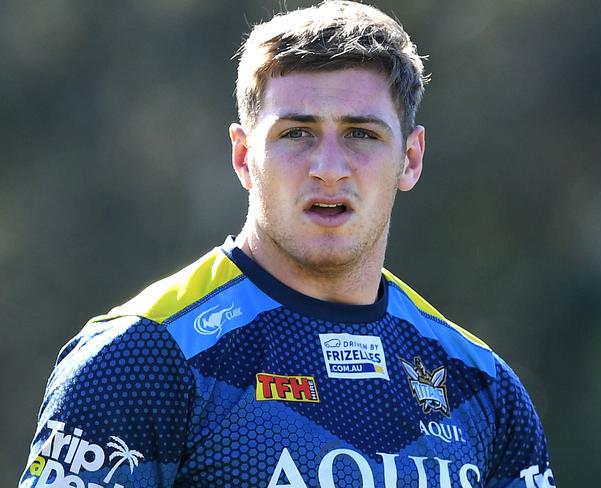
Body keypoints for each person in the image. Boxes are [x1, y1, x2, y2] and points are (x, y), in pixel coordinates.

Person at [20, 1, 556, 487]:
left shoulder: (482, 387)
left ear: (410, 159)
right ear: (243, 155)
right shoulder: (145, 357)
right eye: (296, 133)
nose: (327, 169)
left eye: (361, 134)